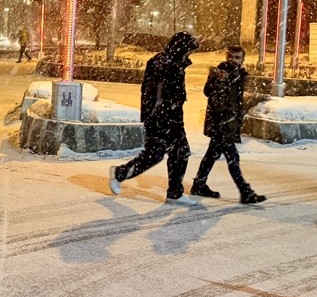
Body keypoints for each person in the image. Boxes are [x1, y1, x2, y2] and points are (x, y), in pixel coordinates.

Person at [109, 31, 200, 205]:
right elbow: (154, 94)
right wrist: (157, 116)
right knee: (155, 154)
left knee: (181, 152)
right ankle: (119, 173)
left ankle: (175, 193)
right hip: (160, 118)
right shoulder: (164, 64)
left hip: (172, 118)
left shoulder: (175, 62)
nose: (190, 54)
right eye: (189, 50)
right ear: (180, 48)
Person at [191, 45, 267, 204]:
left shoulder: (239, 74)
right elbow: (209, 92)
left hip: (229, 123)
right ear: (227, 57)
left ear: (242, 60)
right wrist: (220, 81)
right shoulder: (220, 73)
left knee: (211, 156)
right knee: (232, 157)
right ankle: (245, 191)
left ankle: (199, 184)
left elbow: (235, 100)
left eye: (237, 57)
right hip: (221, 124)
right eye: (231, 57)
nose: (233, 60)